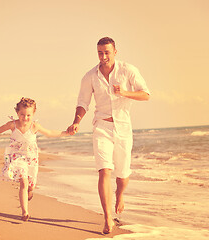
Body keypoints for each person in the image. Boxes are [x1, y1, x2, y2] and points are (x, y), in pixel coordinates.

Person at [67, 37, 150, 234]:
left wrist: (125, 93)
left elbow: (146, 94)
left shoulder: (128, 70)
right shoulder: (90, 76)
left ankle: (119, 195)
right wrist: (76, 121)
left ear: (115, 52)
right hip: (102, 126)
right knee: (104, 170)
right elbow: (83, 102)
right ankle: (107, 218)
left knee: (122, 174)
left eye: (107, 52)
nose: (103, 56)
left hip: (123, 127)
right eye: (100, 53)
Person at [0, 97, 68, 221]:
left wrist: (67, 133)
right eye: (22, 114)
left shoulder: (35, 126)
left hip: (32, 159)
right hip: (17, 157)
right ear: (17, 113)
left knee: (30, 185)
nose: (25, 118)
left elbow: (50, 133)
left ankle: (30, 191)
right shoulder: (12, 125)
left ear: (33, 114)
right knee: (23, 182)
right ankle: (25, 212)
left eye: (28, 115)